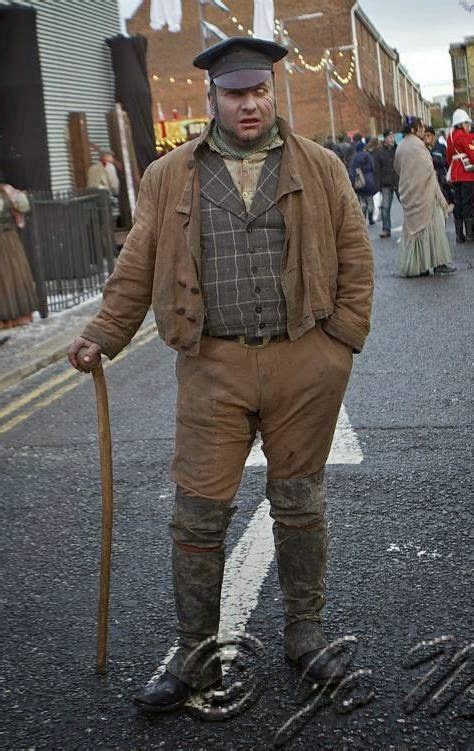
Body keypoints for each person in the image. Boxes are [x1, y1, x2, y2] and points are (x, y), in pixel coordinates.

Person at [68, 37, 373, 713]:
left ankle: (306, 634)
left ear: (273, 92)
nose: (250, 103)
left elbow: (355, 251)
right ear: (213, 98)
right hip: (211, 364)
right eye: (236, 93)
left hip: (304, 360)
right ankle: (194, 655)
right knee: (198, 512)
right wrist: (102, 334)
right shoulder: (168, 174)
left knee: (300, 503)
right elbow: (137, 265)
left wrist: (342, 341)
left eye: (259, 91)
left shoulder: (320, 166)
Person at [394, 117, 455, 276]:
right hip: (425, 194)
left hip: (409, 193)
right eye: (420, 128)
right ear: (413, 130)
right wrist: (442, 198)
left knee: (415, 233)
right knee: (433, 229)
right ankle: (438, 263)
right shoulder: (419, 146)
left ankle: (419, 266)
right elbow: (428, 171)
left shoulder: (400, 147)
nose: (423, 130)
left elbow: (397, 168)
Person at [0, 175, 38, 329]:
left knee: (15, 275)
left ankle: (20, 315)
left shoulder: (7, 191)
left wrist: (17, 197)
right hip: (7, 239)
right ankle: (4, 318)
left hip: (9, 239)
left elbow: (24, 206)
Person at [446, 109, 474, 243]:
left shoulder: (450, 137)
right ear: (461, 124)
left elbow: (448, 157)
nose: (469, 126)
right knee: (468, 203)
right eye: (467, 124)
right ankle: (469, 233)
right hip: (467, 175)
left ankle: (459, 235)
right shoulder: (466, 137)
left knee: (458, 203)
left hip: (456, 174)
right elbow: (472, 155)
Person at [372, 129, 398, 238]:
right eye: (390, 137)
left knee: (407, 205)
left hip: (398, 181)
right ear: (385, 138)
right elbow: (376, 170)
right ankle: (386, 229)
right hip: (386, 183)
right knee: (386, 207)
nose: (392, 139)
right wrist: (378, 186)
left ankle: (411, 227)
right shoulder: (379, 152)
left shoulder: (397, 149)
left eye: (393, 137)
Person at [423, 126, 454, 207]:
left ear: (433, 136)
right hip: (430, 182)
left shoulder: (441, 147)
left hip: (442, 180)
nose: (426, 138)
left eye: (428, 135)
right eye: (424, 136)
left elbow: (447, 162)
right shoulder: (423, 149)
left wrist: (433, 160)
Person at [349, 140, 377, 224]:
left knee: (362, 200)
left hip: (360, 181)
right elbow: (373, 167)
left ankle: (363, 217)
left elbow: (352, 171)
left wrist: (353, 182)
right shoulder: (368, 155)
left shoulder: (354, 158)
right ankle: (371, 218)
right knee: (370, 199)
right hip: (369, 180)